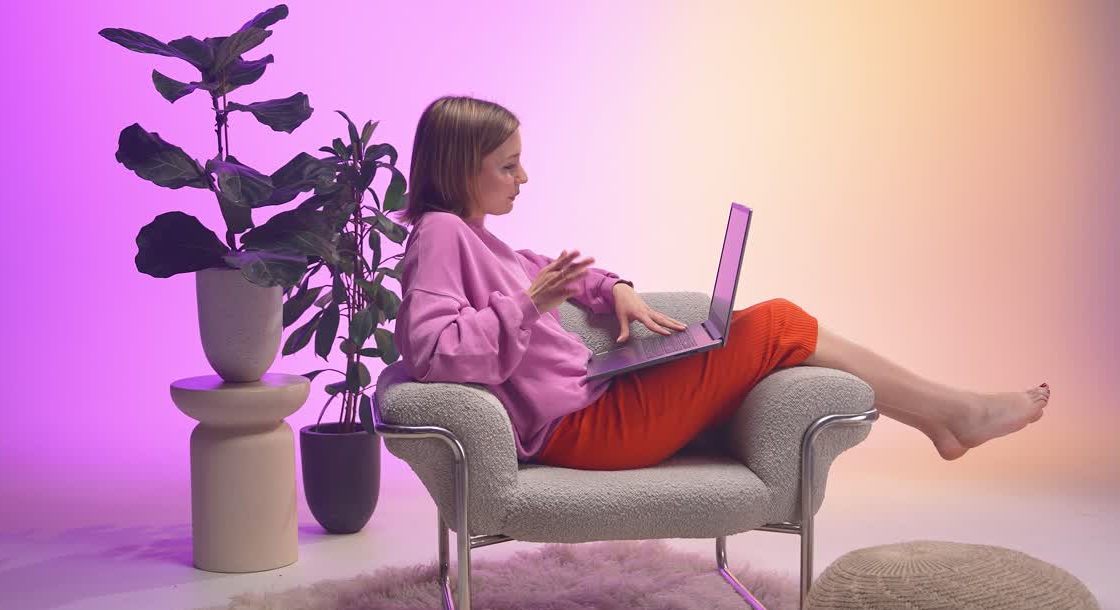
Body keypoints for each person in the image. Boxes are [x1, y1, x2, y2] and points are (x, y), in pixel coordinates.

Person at [388, 95, 1050, 471]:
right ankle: (954, 415)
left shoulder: (476, 236)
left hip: (596, 401)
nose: (523, 178)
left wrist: (614, 289)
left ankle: (945, 417)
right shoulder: (440, 235)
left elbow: (555, 273)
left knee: (770, 329)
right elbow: (434, 353)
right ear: (462, 168)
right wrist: (531, 304)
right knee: (780, 322)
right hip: (583, 429)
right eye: (508, 166)